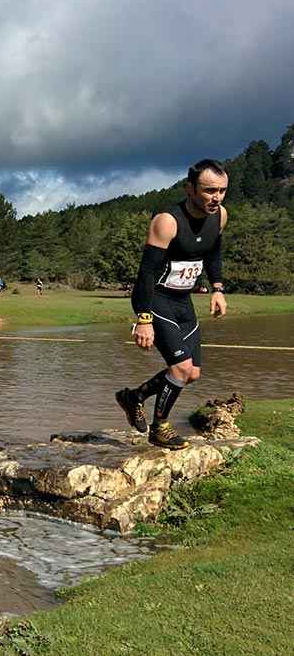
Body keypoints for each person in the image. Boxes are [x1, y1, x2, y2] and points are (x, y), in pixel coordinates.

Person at [115, 159, 229, 449]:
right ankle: (160, 428)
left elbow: (213, 252)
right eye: (209, 190)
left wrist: (217, 288)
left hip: (183, 301)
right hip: (157, 300)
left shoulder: (220, 216)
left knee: (192, 373)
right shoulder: (167, 221)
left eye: (222, 190)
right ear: (190, 188)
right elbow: (146, 273)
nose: (216, 197)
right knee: (180, 368)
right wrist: (143, 319)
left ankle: (134, 397)